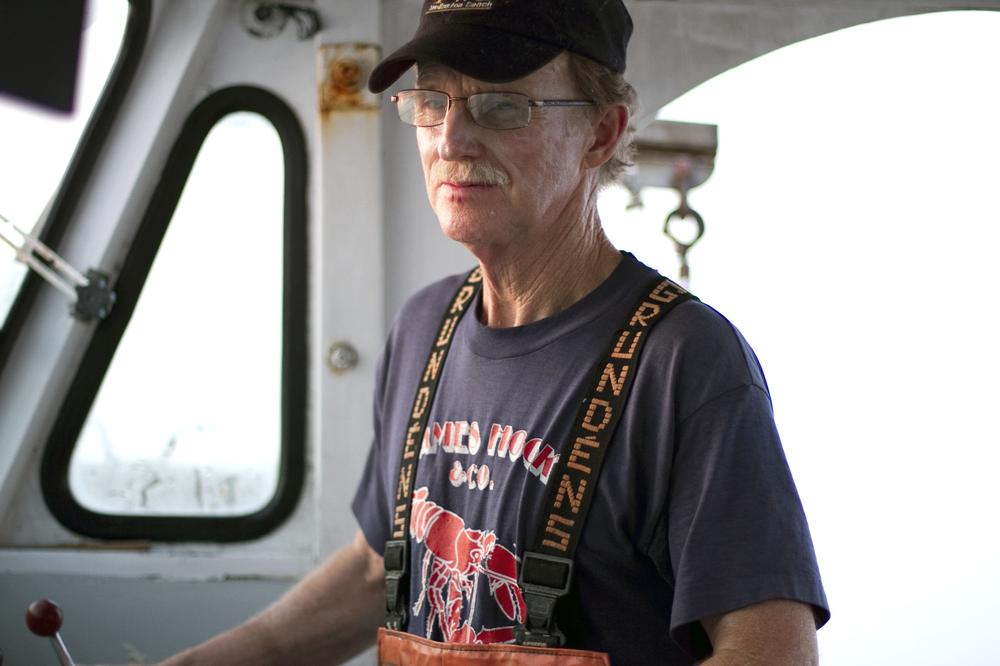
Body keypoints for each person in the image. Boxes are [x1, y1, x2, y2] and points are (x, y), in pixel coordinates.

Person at [162, 1, 828, 663]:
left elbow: (771, 650)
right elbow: (380, 569)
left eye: (502, 107)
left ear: (601, 132)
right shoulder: (423, 329)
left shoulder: (684, 363)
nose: (450, 140)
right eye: (430, 102)